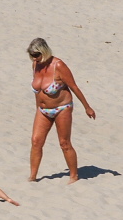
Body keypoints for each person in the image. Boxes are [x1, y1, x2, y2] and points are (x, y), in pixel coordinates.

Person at [27, 37, 96, 184]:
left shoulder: (59, 65)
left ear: (44, 51)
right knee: (36, 141)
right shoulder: (35, 65)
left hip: (62, 108)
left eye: (36, 55)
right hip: (43, 110)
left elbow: (74, 87)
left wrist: (87, 107)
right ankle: (32, 176)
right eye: (32, 55)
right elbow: (38, 91)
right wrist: (38, 108)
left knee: (64, 143)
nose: (34, 58)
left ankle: (74, 176)